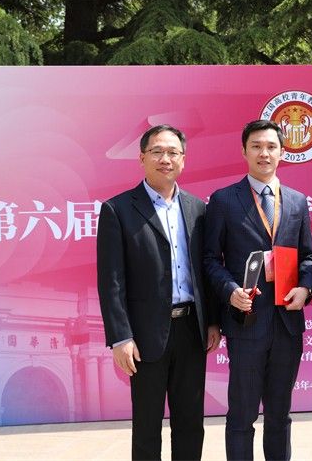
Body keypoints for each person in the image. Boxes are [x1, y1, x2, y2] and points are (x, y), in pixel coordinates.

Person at [97, 124, 220, 460]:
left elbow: (205, 269)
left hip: (191, 330)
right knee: (147, 425)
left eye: (173, 152)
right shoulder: (118, 210)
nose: (166, 159)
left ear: (183, 159)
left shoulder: (198, 209)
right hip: (144, 334)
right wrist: (120, 337)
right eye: (157, 152)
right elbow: (111, 280)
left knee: (190, 423)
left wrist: (212, 321)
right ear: (142, 158)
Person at [203, 119, 312, 461]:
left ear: (282, 153)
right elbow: (210, 259)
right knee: (242, 415)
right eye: (256, 146)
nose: (263, 153)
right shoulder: (224, 200)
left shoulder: (297, 201)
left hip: (287, 324)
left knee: (280, 416)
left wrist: (305, 288)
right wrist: (230, 291)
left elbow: (307, 256)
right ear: (244, 151)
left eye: (270, 147)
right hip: (246, 323)